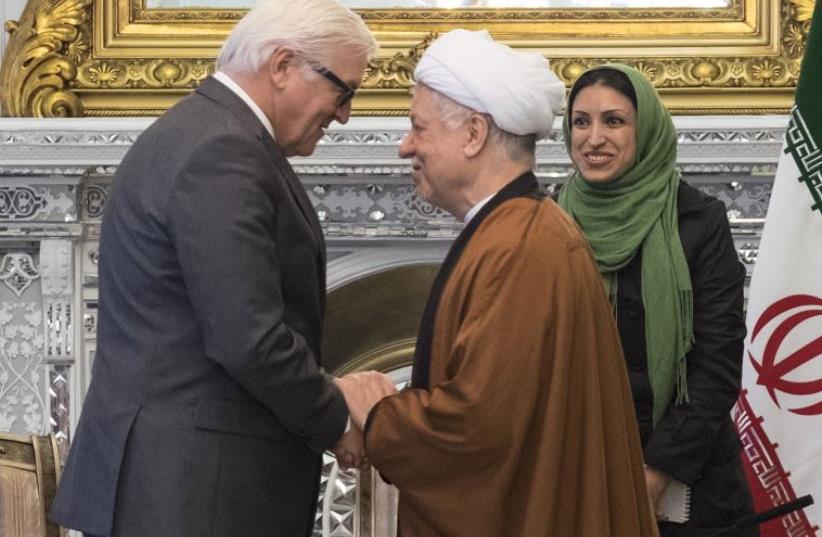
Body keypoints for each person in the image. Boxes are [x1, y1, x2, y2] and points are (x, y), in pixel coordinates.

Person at [48, 1, 396, 536]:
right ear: (282, 66)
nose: (344, 113)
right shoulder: (223, 150)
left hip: (186, 487)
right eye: (342, 91)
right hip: (192, 494)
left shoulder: (212, 133)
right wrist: (334, 417)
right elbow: (248, 338)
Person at [355, 29, 659, 537]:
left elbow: (475, 430)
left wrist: (375, 418)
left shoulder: (518, 246)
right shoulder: (518, 230)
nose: (405, 146)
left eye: (418, 128)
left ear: (474, 134)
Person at [557, 64, 756, 536]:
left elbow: (718, 365)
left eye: (614, 121)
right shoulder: (549, 221)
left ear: (645, 129)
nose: (593, 138)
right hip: (579, 480)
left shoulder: (699, 221)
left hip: (695, 491)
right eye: (580, 122)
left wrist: (654, 472)